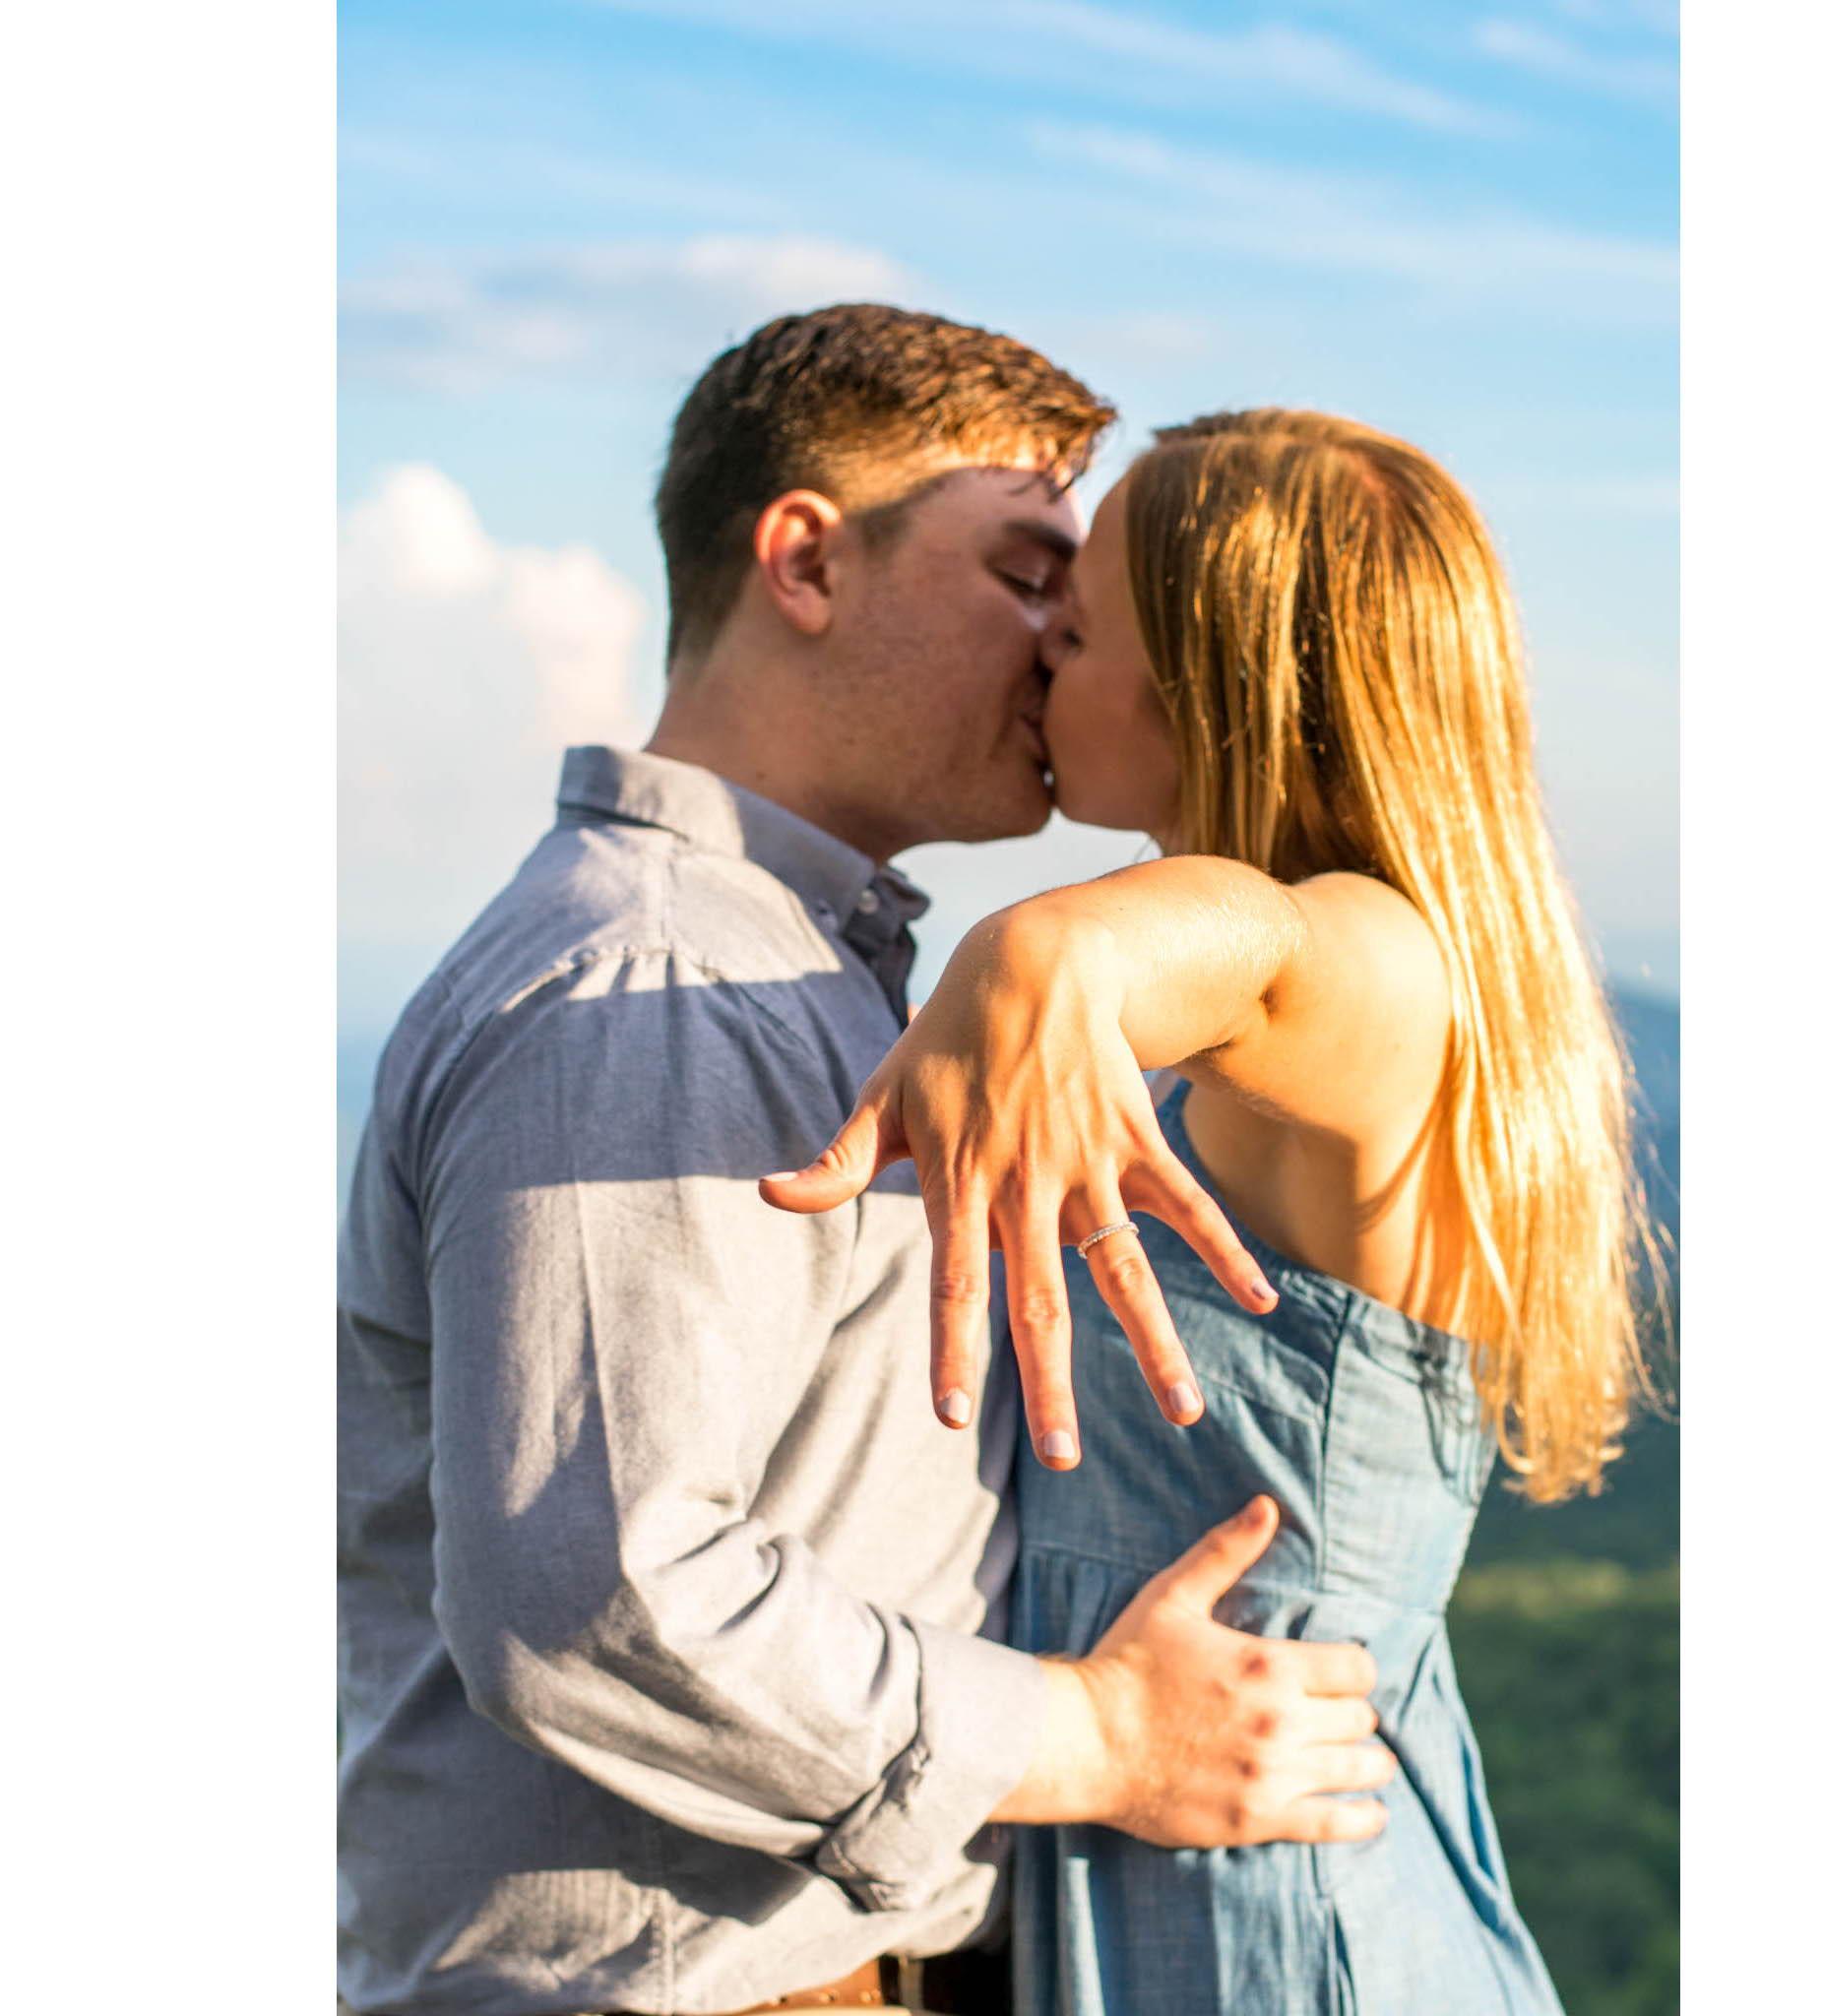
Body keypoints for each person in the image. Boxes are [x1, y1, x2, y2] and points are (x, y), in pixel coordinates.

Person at [338, 315, 1397, 2016]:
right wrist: (1101, 1735)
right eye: (1026, 571)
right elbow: (598, 1588)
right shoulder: (656, 989)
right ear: (809, 561)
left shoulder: (776, 975)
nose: (1063, 643)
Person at [766, 410, 1660, 2012]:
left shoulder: (1380, 967)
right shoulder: (1340, 1019)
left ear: (1207, 683)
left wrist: (1051, 950)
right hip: (1215, 1842)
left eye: (1083, 626)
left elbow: (1261, 942)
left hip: (1273, 1905)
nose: (1041, 653)